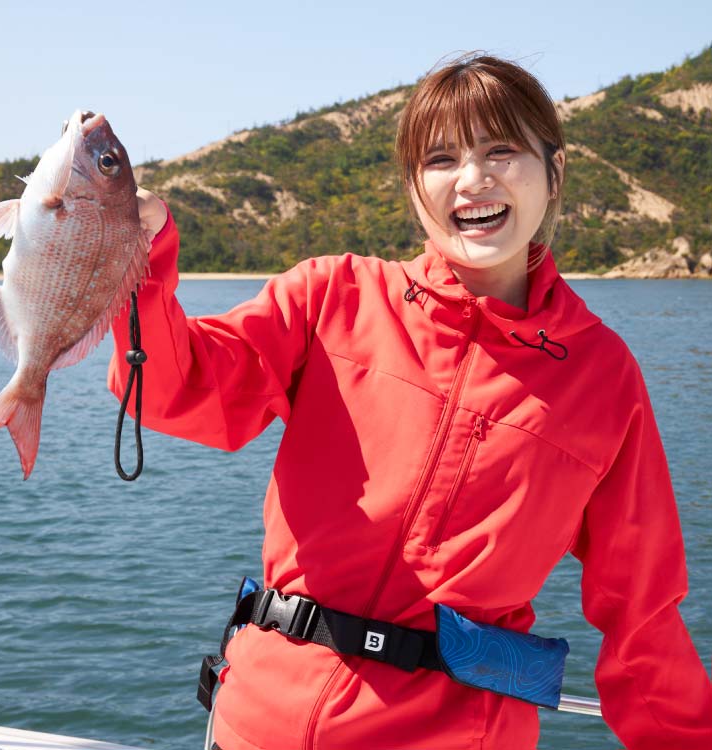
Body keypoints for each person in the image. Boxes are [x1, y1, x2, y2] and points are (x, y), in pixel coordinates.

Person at [110, 54, 712, 750]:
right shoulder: (329, 296)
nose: (473, 179)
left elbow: (644, 610)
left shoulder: (603, 376)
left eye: (502, 151)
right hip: (258, 722)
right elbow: (176, 391)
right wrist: (142, 264)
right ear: (412, 186)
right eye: (441, 157)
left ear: (556, 173)